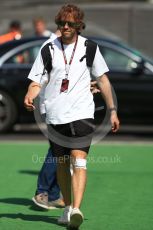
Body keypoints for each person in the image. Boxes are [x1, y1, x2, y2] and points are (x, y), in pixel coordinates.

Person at [24, 4, 120, 229]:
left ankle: (76, 208)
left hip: (82, 113)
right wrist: (30, 93)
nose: (65, 27)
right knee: (62, 164)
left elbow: (103, 80)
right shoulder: (48, 48)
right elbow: (36, 80)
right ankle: (67, 207)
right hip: (55, 115)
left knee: (79, 160)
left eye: (70, 23)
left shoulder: (90, 48)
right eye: (61, 23)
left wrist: (112, 110)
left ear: (78, 25)